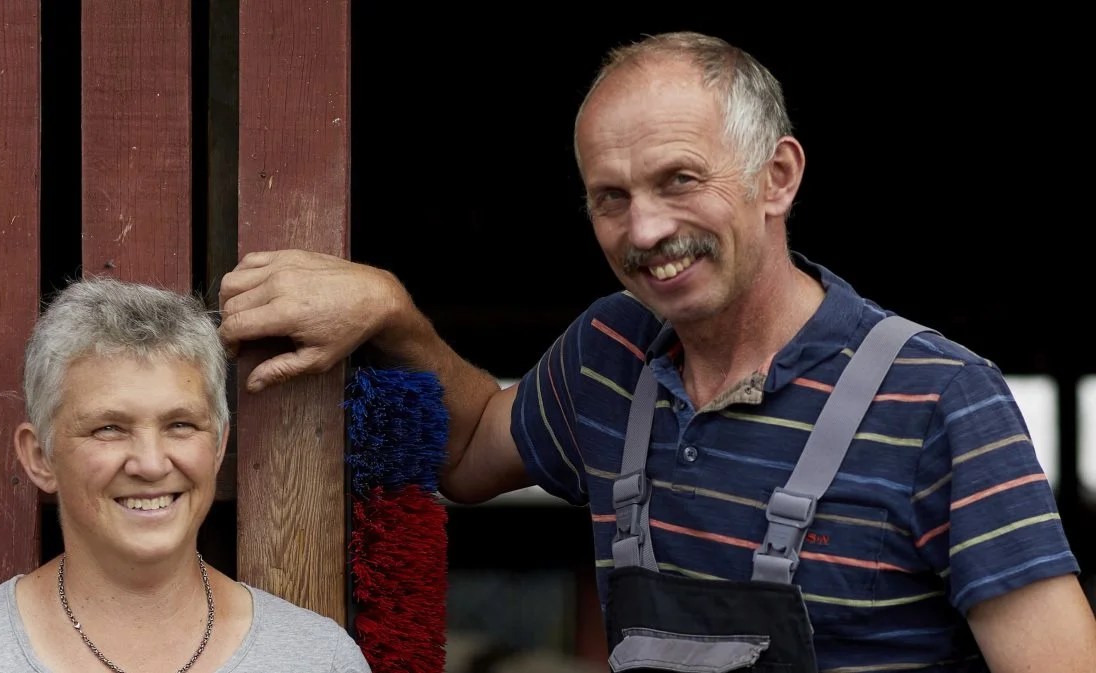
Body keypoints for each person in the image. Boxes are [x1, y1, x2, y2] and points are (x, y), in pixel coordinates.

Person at [217, 31, 1096, 673]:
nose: (645, 229)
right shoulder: (605, 354)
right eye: (610, 197)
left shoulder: (942, 398)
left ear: (777, 177)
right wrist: (394, 313)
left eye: (679, 179)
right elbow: (468, 445)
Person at [0, 278, 370, 672]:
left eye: (180, 425)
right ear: (40, 457)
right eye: (109, 428)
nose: (150, 463)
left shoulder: (316, 658)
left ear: (219, 444)